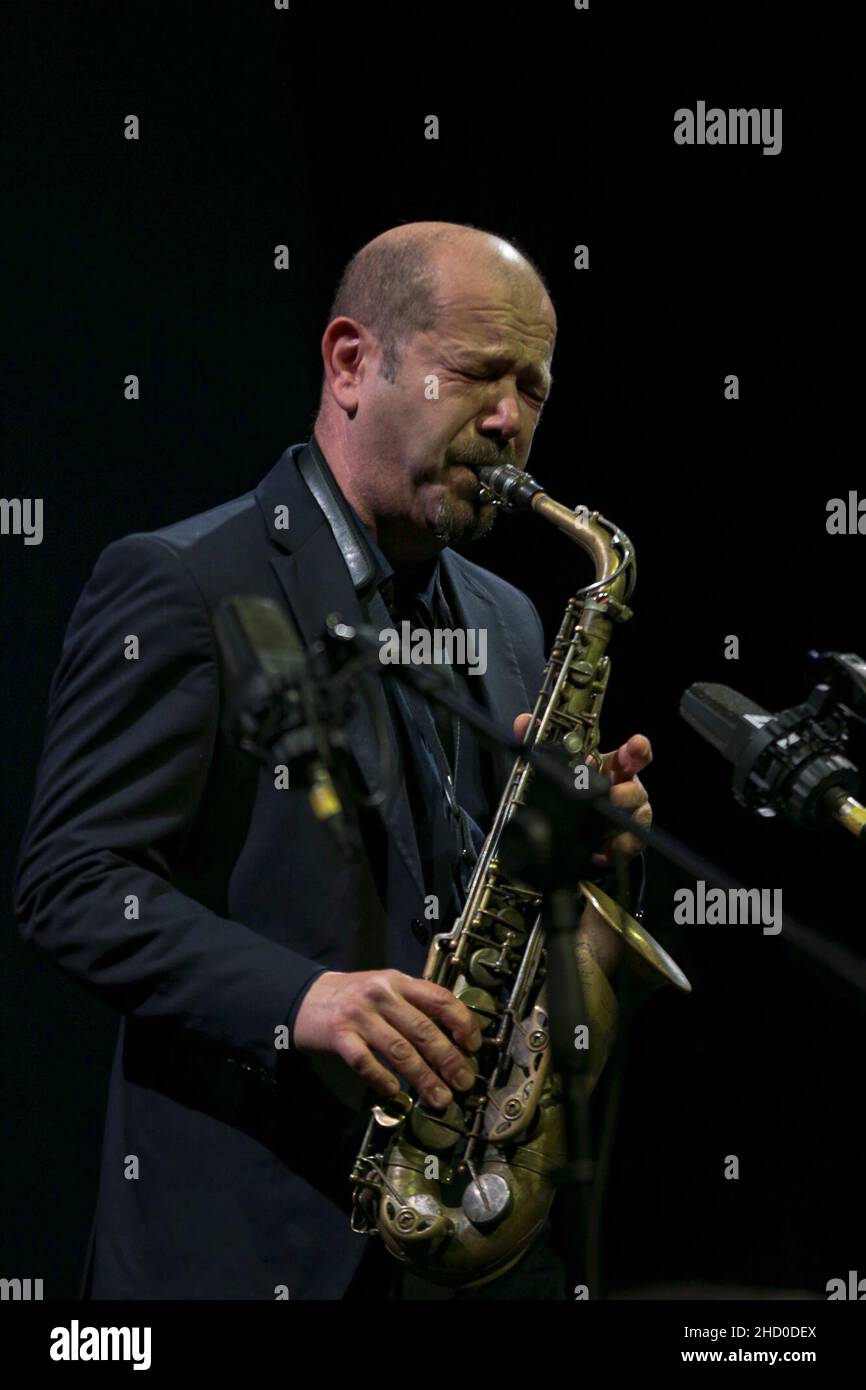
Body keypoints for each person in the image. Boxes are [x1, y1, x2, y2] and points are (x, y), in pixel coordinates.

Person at [14, 221, 653, 1300]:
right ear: (353, 363)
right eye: (476, 375)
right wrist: (302, 997)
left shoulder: (504, 617)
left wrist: (573, 850)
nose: (506, 421)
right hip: (243, 1250)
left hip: (457, 1248)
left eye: (532, 390)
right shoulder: (182, 585)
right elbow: (70, 883)